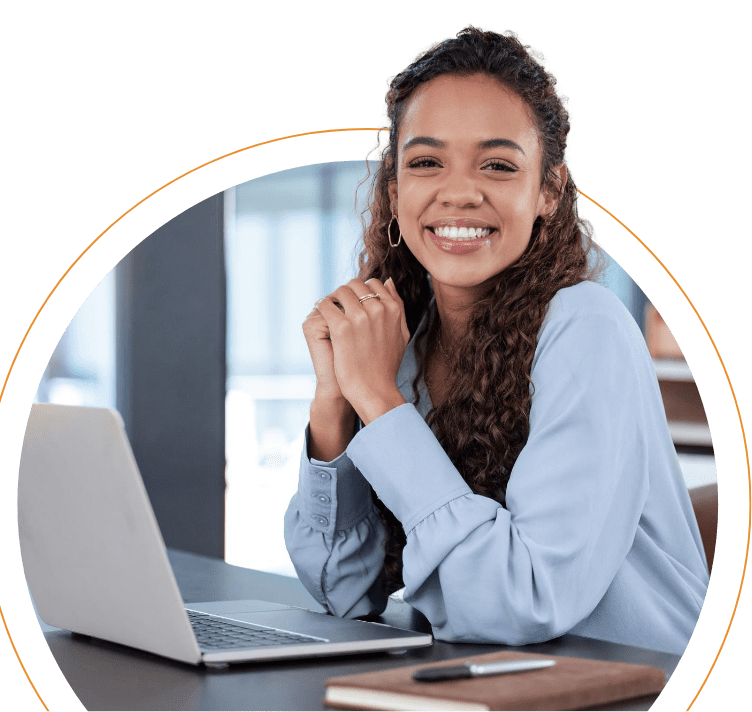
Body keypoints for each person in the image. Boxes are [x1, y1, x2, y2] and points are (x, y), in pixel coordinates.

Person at [284, 25, 709, 656]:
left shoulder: (585, 328)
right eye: (427, 162)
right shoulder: (404, 336)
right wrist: (334, 402)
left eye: (498, 165)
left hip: (633, 687)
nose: (458, 192)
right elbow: (342, 590)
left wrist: (378, 400)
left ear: (548, 191)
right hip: (493, 680)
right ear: (395, 191)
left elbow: (522, 601)